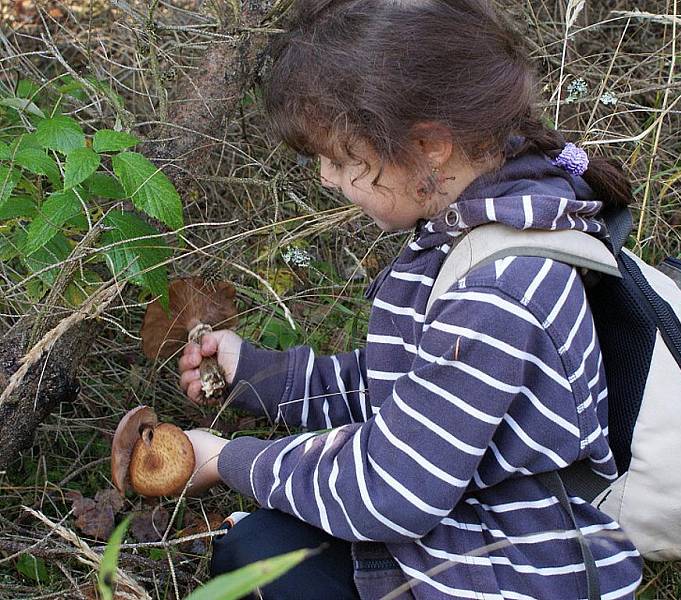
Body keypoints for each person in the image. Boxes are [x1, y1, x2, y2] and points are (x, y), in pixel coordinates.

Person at [178, 0, 644, 598]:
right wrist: (259, 375)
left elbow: (392, 492)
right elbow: (405, 392)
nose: (327, 178)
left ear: (429, 146)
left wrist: (228, 460)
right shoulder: (476, 224)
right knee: (260, 545)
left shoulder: (499, 289)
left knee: (258, 564)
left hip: (511, 576)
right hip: (466, 525)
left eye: (342, 160)